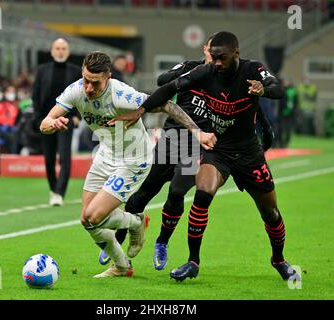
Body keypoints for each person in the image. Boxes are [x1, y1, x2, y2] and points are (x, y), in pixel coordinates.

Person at [110, 31, 298, 282]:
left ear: (236, 54)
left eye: (223, 58)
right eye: (214, 57)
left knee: (270, 212)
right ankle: (193, 261)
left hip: (249, 154)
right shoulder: (205, 72)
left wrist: (263, 89)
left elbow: (278, 88)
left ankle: (279, 260)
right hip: (218, 150)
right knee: (201, 194)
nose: (217, 63)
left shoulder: (253, 69)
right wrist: (140, 111)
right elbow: (168, 86)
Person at [40, 51, 217, 278]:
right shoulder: (76, 91)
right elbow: (44, 123)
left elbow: (166, 106)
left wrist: (198, 132)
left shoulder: (122, 94)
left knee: (95, 216)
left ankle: (135, 223)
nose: (88, 88)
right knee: (86, 220)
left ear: (108, 77)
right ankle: (122, 266)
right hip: (105, 155)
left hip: (133, 159)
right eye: (85, 80)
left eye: (95, 83)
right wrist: (52, 123)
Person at [32, 38, 82, 206]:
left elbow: (81, 96)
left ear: (68, 51)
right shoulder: (42, 70)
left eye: (63, 48)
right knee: (48, 158)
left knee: (65, 157)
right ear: (52, 51)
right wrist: (38, 118)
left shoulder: (75, 71)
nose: (60, 51)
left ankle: (60, 192)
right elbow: (36, 94)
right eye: (57, 48)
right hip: (46, 120)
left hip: (66, 120)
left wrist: (77, 117)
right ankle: (53, 189)